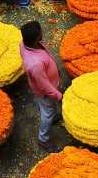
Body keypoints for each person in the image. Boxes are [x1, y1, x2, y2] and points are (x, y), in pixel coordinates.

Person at [19, 21, 64, 152]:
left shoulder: (24, 44)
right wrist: (59, 96)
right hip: (45, 92)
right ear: (35, 40)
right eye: (40, 33)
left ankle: (52, 116)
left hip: (44, 87)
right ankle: (43, 139)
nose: (42, 33)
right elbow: (44, 86)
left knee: (47, 107)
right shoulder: (35, 64)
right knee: (47, 113)